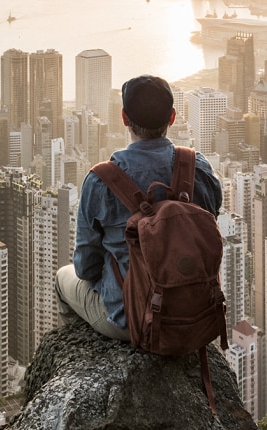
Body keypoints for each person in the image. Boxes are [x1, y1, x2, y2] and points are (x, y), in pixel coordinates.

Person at [55, 74, 222, 341]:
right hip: (195, 313)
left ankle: (79, 357)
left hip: (129, 319)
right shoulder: (197, 168)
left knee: (62, 279)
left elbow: (85, 268)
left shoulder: (101, 180)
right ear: (172, 117)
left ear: (124, 117)